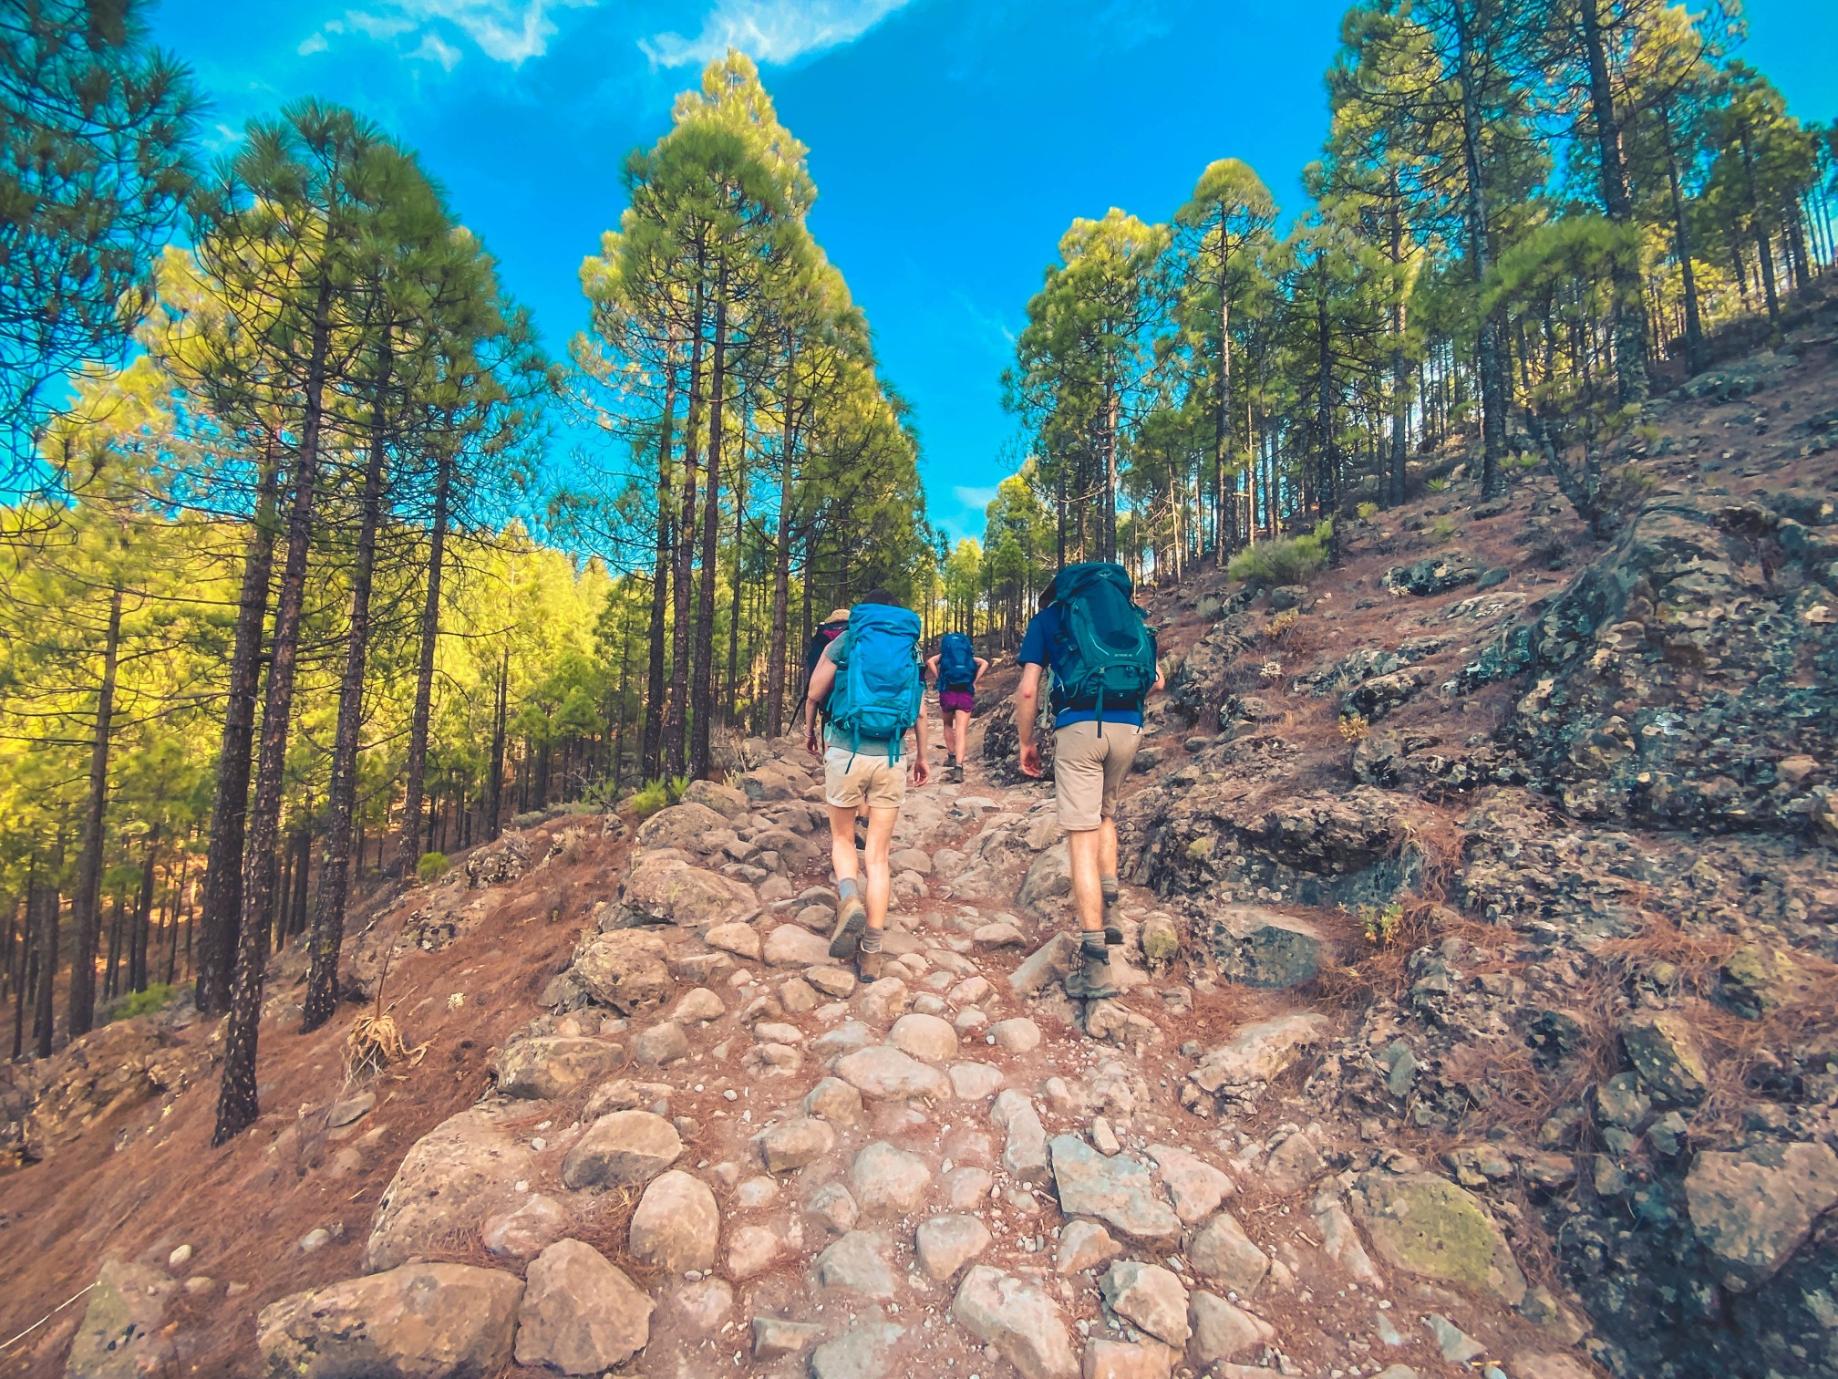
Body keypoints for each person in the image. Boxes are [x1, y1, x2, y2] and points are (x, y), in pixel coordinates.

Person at [1015, 563, 1162, 1004]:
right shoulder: (1129, 615)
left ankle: (1095, 964)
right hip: (1130, 728)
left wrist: (1027, 742)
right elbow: (1157, 680)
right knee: (1105, 814)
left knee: (1080, 838)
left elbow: (1027, 690)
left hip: (1080, 727)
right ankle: (1111, 901)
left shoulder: (1050, 618)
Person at [804, 589, 930, 981]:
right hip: (891, 753)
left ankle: (847, 899)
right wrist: (922, 756)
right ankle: (872, 953)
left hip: (845, 747)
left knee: (843, 840)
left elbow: (814, 691)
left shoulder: (851, 637)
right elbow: (921, 711)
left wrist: (810, 730)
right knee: (878, 857)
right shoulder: (910, 647)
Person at [925, 631, 989, 783]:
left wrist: (938, 676)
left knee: (947, 724)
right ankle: (959, 768)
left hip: (947, 691)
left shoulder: (944, 656)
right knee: (961, 730)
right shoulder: (969, 657)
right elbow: (985, 663)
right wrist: (974, 680)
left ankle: (952, 756)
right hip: (965, 691)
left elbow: (929, 662)